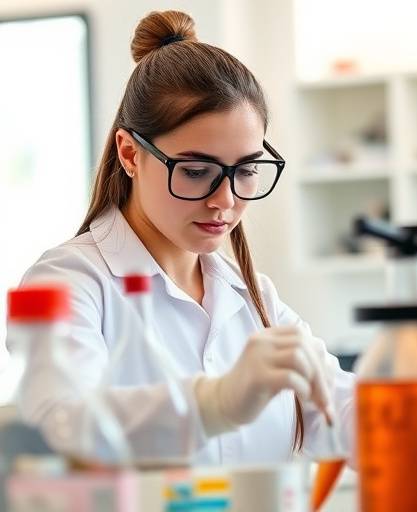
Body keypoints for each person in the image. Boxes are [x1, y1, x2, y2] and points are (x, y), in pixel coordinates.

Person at [7, 10, 354, 465]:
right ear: (130, 154)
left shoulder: (254, 299)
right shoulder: (70, 281)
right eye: (196, 171)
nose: (225, 200)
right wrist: (215, 403)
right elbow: (60, 427)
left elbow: (344, 413)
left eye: (246, 170)